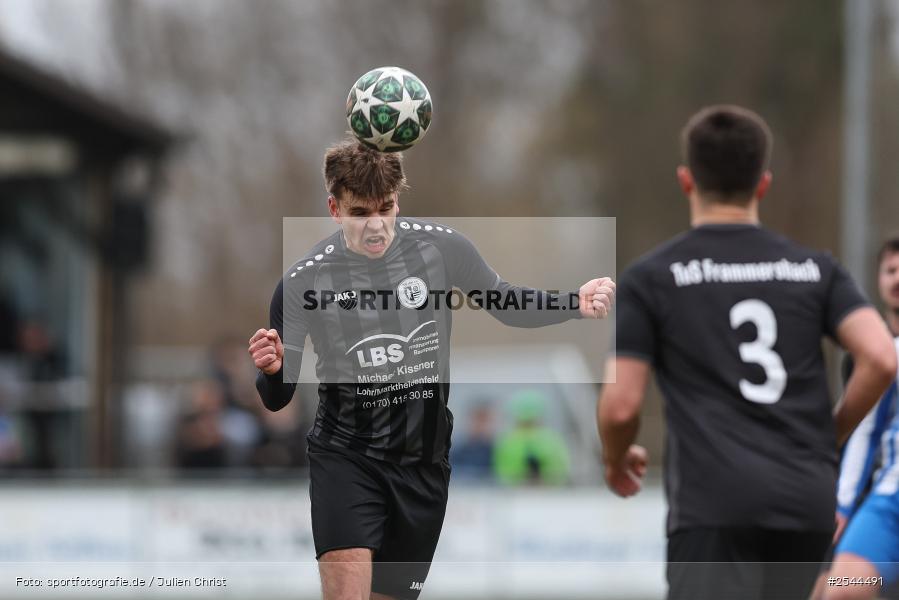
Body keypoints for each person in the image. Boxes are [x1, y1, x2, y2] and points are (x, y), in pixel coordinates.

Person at [248, 139, 615, 600]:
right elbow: (277, 395)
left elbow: (503, 300)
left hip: (423, 467)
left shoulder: (441, 249)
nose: (377, 225)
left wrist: (572, 303)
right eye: (361, 213)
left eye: (387, 208)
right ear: (334, 208)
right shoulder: (304, 282)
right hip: (347, 459)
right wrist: (273, 367)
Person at [596, 105, 897, 600]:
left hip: (714, 507)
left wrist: (614, 458)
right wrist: (829, 432)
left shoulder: (653, 277)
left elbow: (622, 404)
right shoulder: (815, 269)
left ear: (686, 180)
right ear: (764, 183)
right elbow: (882, 357)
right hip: (805, 505)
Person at [825, 236, 899, 600]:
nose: (897, 279)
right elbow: (865, 430)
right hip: (885, 497)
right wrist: (843, 502)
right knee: (840, 587)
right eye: (891, 270)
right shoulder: (879, 356)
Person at [493, 389, 570, 486]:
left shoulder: (551, 440)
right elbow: (501, 473)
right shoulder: (508, 441)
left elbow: (560, 472)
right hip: (516, 496)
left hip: (548, 496)